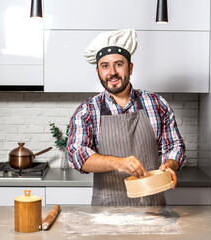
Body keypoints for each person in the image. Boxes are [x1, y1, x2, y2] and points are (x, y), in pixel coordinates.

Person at [66, 29, 186, 206]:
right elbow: (76, 155)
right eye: (105, 66)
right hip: (107, 211)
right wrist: (117, 163)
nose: (112, 72)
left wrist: (169, 165)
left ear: (130, 67)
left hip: (152, 208)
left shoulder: (156, 103)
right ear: (98, 71)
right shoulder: (87, 111)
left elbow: (175, 146)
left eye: (119, 64)